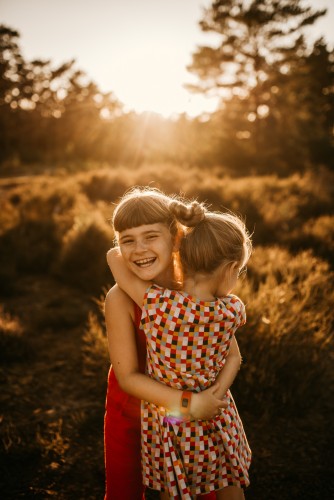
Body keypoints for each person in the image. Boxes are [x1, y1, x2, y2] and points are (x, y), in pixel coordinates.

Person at [108, 197, 252, 499]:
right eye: (128, 240)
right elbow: (128, 378)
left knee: (187, 481)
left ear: (176, 238)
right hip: (134, 412)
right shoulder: (120, 299)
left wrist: (201, 403)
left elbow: (231, 353)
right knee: (127, 488)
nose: (139, 249)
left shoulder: (189, 295)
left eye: (151, 236)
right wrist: (192, 404)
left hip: (177, 417)